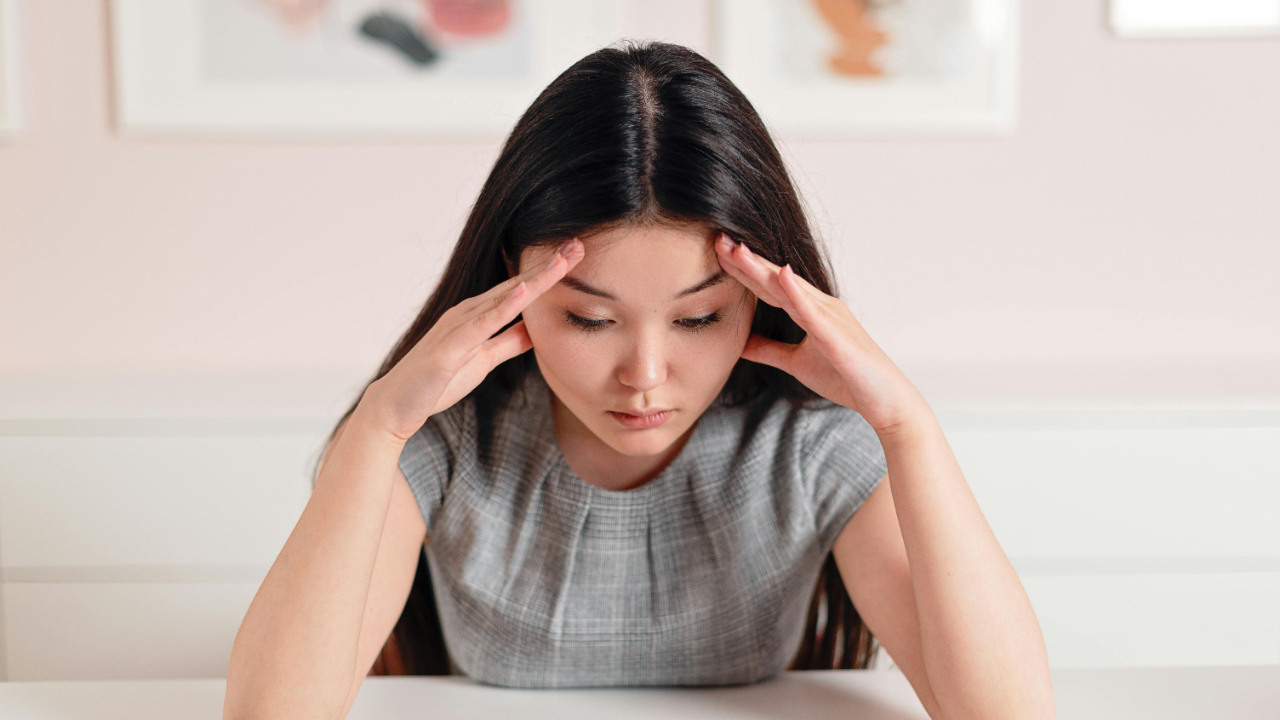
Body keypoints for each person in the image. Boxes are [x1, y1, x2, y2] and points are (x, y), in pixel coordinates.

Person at [223, 40, 1055, 720]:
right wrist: (375, 430)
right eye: (589, 319)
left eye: (698, 319)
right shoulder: (447, 442)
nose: (645, 377)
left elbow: (1005, 714)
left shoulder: (806, 446)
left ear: (762, 300)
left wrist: (909, 427)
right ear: (510, 281)